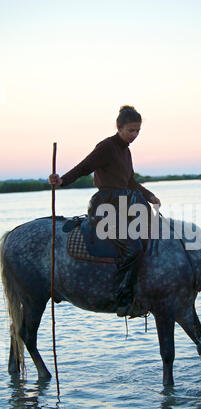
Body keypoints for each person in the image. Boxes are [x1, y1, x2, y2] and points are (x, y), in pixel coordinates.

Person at [49, 105, 161, 314]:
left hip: (124, 203)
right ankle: (123, 296)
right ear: (119, 127)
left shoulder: (126, 151)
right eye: (131, 130)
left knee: (152, 237)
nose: (134, 135)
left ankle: (142, 289)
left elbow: (130, 181)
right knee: (133, 247)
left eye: (138, 131)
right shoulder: (107, 147)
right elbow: (84, 167)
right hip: (104, 206)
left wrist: (149, 196)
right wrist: (62, 180)